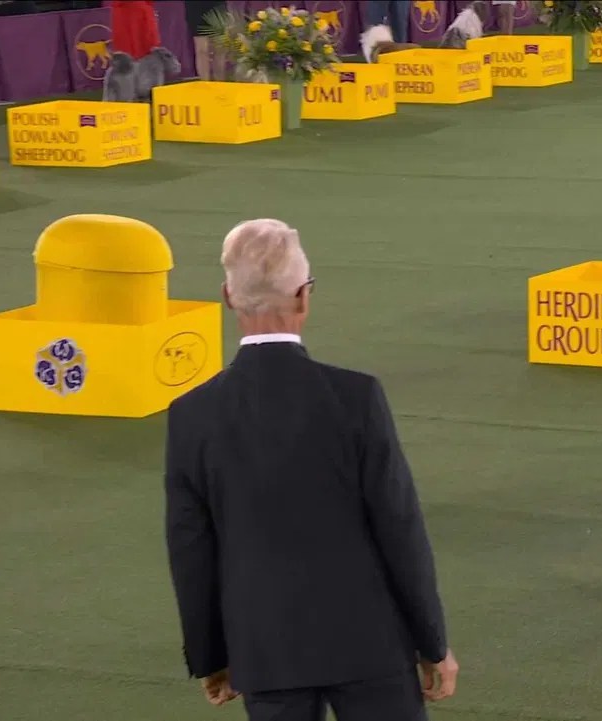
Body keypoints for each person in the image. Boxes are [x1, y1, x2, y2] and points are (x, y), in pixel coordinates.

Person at [164, 218, 458, 720]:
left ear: (228, 297)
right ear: (303, 296)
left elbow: (191, 548)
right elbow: (399, 528)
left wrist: (212, 657)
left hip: (265, 649)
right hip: (370, 644)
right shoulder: (356, 398)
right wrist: (432, 643)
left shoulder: (193, 414)